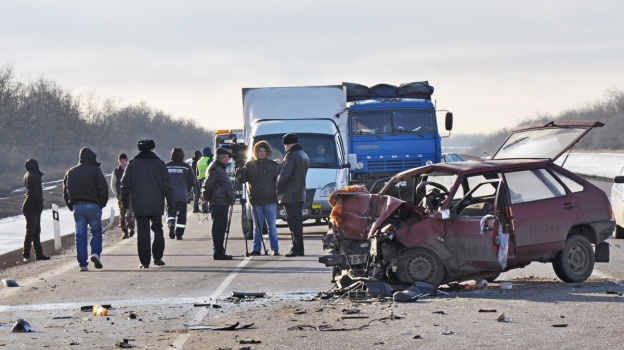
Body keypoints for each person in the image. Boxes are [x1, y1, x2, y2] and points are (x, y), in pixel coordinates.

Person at [121, 139, 174, 269]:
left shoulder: (132, 165)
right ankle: (158, 257)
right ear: (152, 149)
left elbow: (125, 185)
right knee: (158, 229)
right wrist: (171, 203)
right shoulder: (160, 164)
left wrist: (125, 203)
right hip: (156, 203)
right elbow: (167, 186)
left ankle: (145, 261)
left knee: (143, 232)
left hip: (139, 204)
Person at [63, 148, 109, 271]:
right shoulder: (95, 171)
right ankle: (95, 253)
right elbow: (103, 189)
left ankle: (83, 264)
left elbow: (66, 192)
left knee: (80, 235)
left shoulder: (70, 172)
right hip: (93, 206)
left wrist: (71, 205)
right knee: (96, 231)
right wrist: (101, 204)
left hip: (77, 206)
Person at [239, 141, 280, 256]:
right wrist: (240, 170)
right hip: (256, 201)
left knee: (271, 226)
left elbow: (278, 182)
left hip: (270, 200)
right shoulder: (250, 165)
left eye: (264, 151)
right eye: (260, 151)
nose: (262, 153)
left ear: (267, 152)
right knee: (257, 227)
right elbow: (241, 180)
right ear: (256, 152)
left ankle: (275, 249)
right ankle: (256, 249)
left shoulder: (273, 165)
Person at [276, 133, 309, 257]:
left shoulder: (291, 156)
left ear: (287, 144)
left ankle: (297, 248)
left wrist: (277, 188)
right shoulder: (303, 154)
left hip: (290, 194)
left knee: (293, 223)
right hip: (300, 193)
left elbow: (284, 176)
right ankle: (298, 247)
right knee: (297, 222)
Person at [202, 147, 235, 260]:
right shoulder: (215, 169)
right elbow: (208, 184)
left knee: (221, 227)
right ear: (222, 158)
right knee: (219, 228)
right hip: (218, 202)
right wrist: (205, 198)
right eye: (227, 157)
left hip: (222, 201)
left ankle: (220, 250)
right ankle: (218, 252)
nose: (228, 159)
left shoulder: (220, 168)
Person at [21, 158, 50, 262]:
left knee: (34, 230)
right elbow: (38, 193)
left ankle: (38, 254)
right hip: (33, 206)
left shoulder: (27, 175)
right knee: (32, 231)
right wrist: (40, 205)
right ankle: (27, 254)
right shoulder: (36, 176)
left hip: (28, 205)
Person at [166, 148, 196, 240]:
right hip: (182, 194)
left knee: (171, 212)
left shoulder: (166, 166)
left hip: (170, 195)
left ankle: (171, 223)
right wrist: (186, 190)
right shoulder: (186, 167)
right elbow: (192, 181)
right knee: (182, 215)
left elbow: (161, 180)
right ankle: (179, 234)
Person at [111, 153, 135, 239]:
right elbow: (113, 184)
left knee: (131, 211)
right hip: (121, 195)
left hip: (130, 194)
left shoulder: (131, 169)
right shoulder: (116, 171)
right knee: (122, 212)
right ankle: (125, 230)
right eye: (121, 160)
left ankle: (131, 227)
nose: (122, 162)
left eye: (124, 160)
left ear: (126, 160)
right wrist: (117, 194)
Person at [196, 146, 213, 214]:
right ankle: (209, 207)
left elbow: (197, 171)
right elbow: (211, 170)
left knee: (203, 194)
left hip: (201, 179)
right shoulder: (209, 160)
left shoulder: (199, 161)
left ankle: (204, 208)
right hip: (208, 178)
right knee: (210, 193)